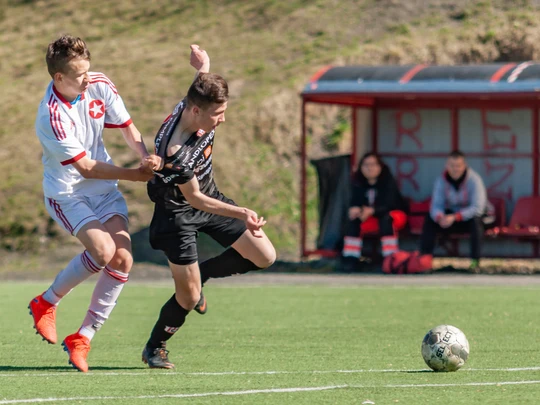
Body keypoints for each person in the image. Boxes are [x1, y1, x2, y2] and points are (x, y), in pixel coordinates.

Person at [140, 45, 276, 369]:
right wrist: (243, 212)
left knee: (265, 255)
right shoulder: (175, 150)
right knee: (187, 298)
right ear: (197, 112)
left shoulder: (196, 103)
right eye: (218, 113)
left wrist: (205, 65)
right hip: (178, 214)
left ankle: (201, 276)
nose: (223, 119)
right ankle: (154, 346)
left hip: (208, 196)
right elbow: (195, 200)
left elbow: (201, 84)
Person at [29, 35, 154, 372]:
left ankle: (83, 337)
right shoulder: (51, 117)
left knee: (124, 258)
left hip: (104, 189)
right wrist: (134, 175)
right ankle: (46, 302)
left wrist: (147, 158)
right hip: (67, 193)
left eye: (88, 70)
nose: (88, 78)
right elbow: (84, 167)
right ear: (59, 78)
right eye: (79, 74)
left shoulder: (97, 83)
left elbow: (128, 128)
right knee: (102, 251)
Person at [419, 150, 493, 270]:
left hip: (470, 219)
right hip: (451, 220)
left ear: (464, 166)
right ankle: (424, 262)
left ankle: (475, 263)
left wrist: (456, 217)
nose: (455, 169)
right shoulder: (441, 181)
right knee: (430, 220)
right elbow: (435, 205)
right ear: (446, 166)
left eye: (458, 166)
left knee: (476, 222)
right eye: (452, 166)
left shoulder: (474, 180)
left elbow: (478, 208)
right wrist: (440, 217)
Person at [341, 152, 407, 271]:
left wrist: (372, 210)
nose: (369, 168)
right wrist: (355, 209)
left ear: (380, 166)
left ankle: (390, 259)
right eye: (366, 165)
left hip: (393, 216)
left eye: (373, 164)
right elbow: (354, 202)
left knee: (386, 219)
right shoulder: (357, 183)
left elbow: (390, 204)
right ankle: (350, 260)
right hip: (369, 218)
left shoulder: (388, 181)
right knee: (353, 221)